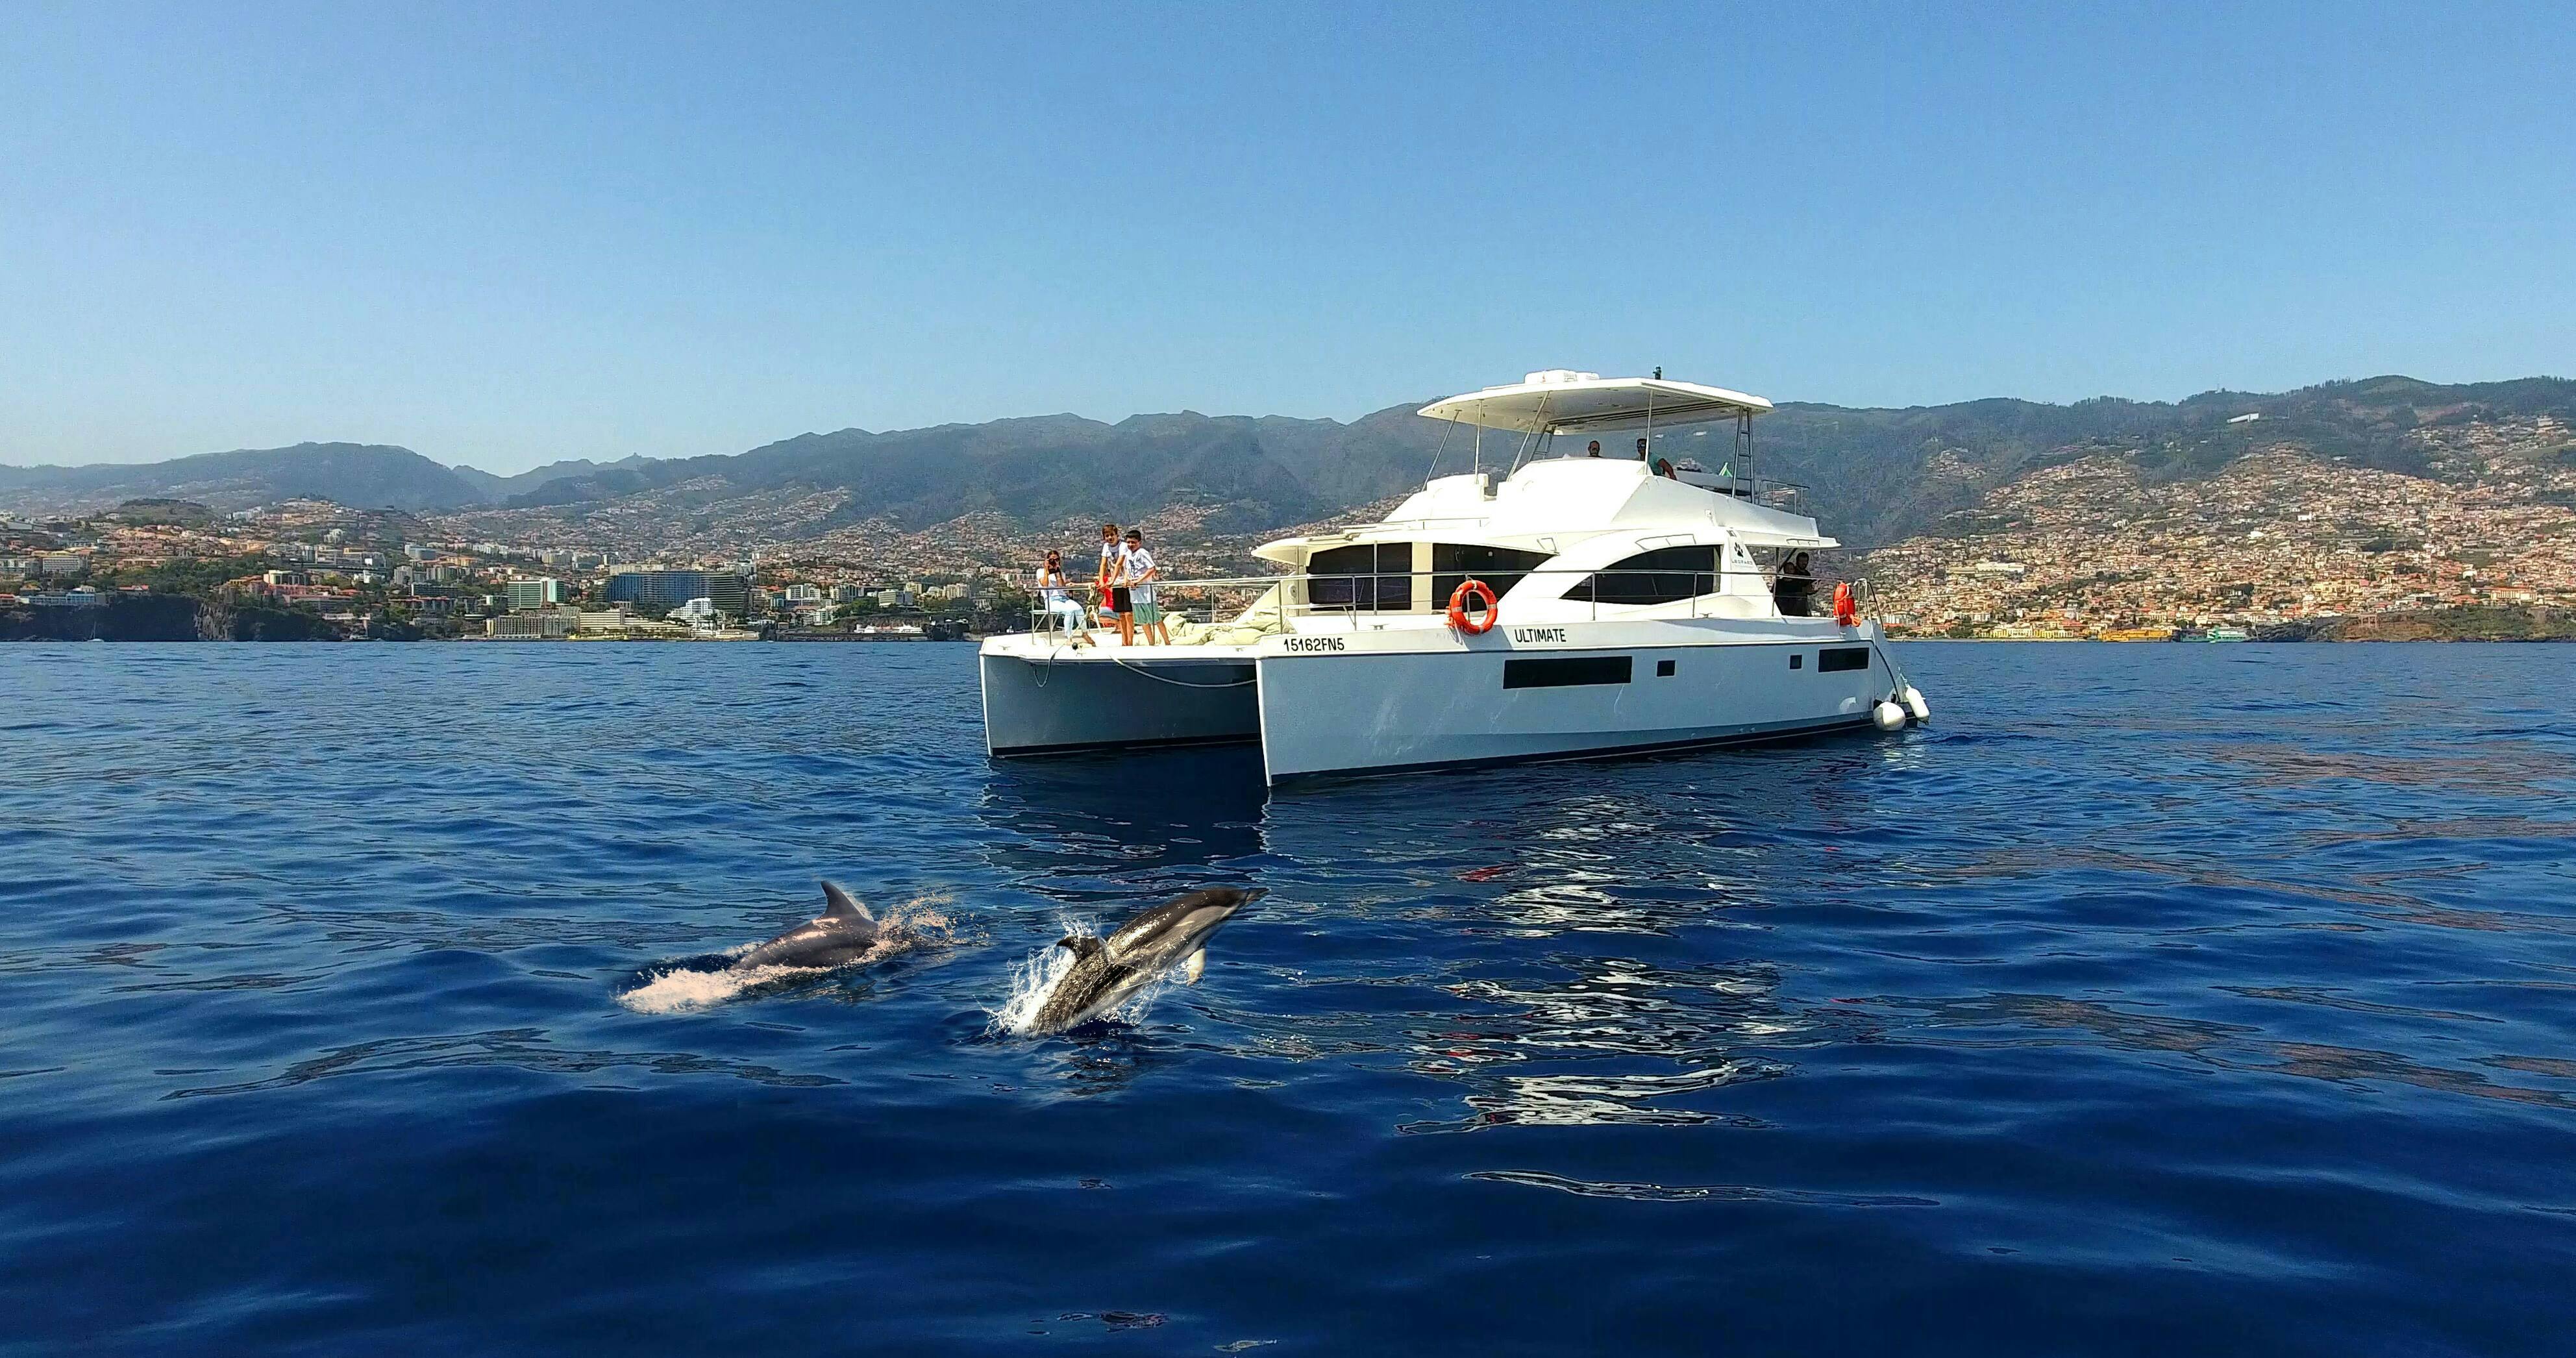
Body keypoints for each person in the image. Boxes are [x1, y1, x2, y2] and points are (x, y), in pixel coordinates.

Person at [1121, 527, 1169, 646]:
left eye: (1133, 542)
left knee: (1156, 619)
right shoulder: (1128, 555)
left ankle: (1167, 642)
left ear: (1139, 543)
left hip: (1147, 594)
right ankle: (1151, 643)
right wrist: (1126, 580)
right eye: (1129, 542)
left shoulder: (1142, 553)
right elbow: (1126, 569)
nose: (1131, 545)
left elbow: (1152, 569)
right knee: (1143, 621)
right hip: (1135, 594)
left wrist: (1139, 580)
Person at [1036, 549, 1086, 637]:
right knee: (1069, 611)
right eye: (1052, 560)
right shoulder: (1040, 572)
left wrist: (1058, 572)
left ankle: (1085, 633)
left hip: (1063, 598)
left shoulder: (1061, 574)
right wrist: (1047, 571)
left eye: (1056, 560)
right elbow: (1045, 585)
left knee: (1079, 609)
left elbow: (1061, 587)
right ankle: (1069, 637)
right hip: (1050, 600)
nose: (1054, 562)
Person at [1096, 522, 1132, 645]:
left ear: (1117, 535)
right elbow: (1103, 564)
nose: (1110, 538)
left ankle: (1130, 641)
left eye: (1112, 535)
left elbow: (1120, 563)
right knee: (1121, 614)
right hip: (1115, 583)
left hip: (1124, 581)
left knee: (1128, 614)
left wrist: (1111, 580)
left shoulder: (1123, 546)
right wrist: (1102, 580)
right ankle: (1124, 641)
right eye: (1107, 536)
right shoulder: (1106, 547)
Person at [1774, 550, 1815, 617]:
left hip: (1801, 604)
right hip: (1789, 605)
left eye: (1805, 561)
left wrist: (1814, 589)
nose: (1804, 563)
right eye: (1801, 561)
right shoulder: (1785, 580)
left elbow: (1808, 590)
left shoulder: (1807, 574)